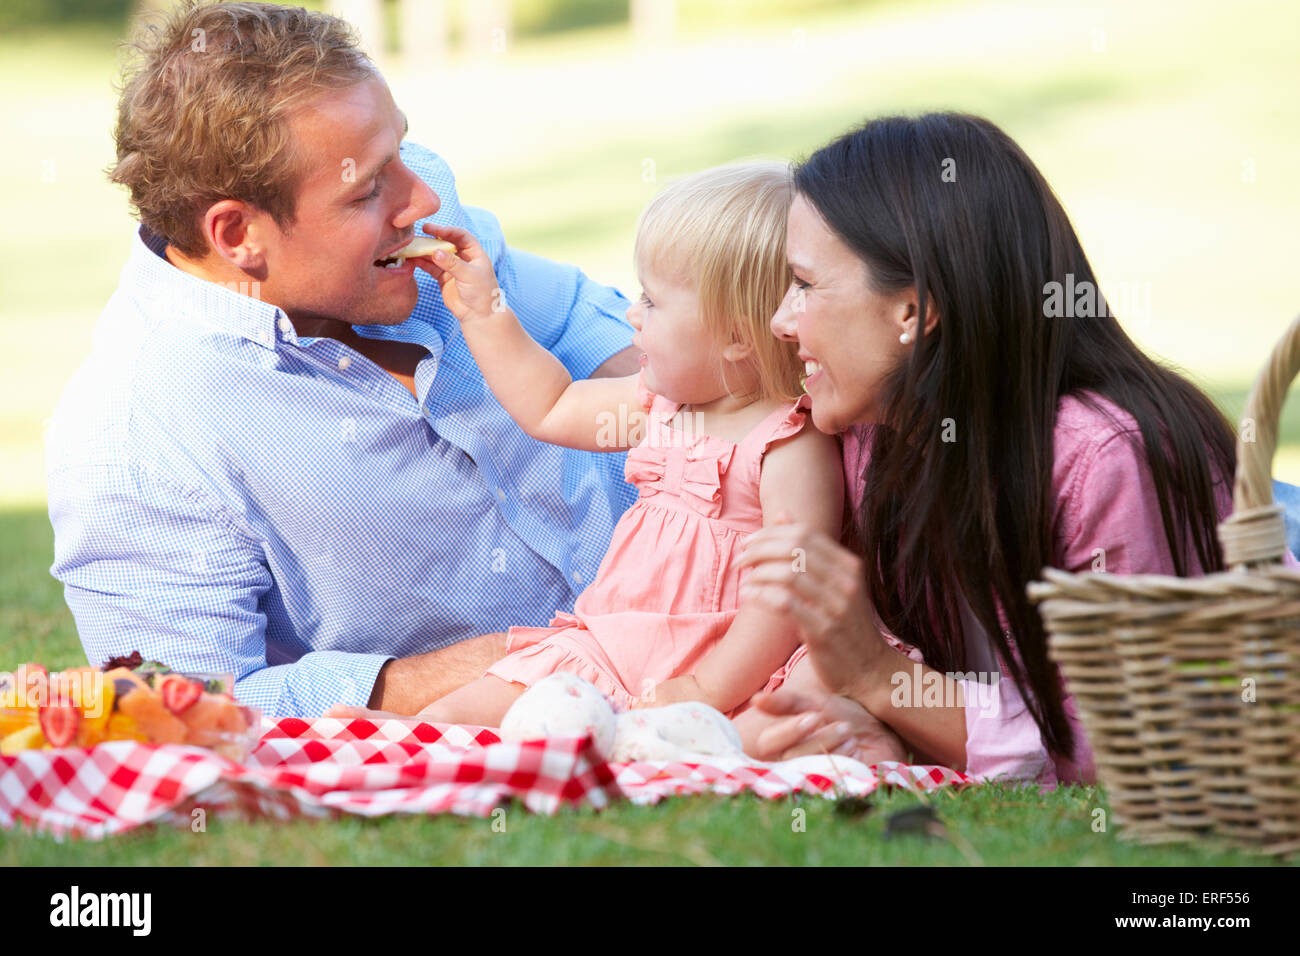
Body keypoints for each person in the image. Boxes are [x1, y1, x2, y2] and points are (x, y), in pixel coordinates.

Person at [44, 1, 642, 718]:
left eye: (401, 155)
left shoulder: (413, 210)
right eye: (368, 190)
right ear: (238, 234)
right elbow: (190, 709)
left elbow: (577, 319)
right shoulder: (131, 435)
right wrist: (504, 666)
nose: (420, 199)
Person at [737, 112, 1300, 784]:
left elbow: (1145, 751)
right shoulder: (869, 436)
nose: (779, 321)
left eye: (805, 285)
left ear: (914, 311)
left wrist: (879, 679)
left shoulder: (1107, 458)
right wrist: (871, 720)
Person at [406, 163, 856, 758]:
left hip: (735, 670)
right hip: (610, 651)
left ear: (738, 336)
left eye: (652, 300)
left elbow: (788, 599)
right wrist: (484, 313)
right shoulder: (657, 406)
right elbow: (551, 404)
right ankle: (387, 748)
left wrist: (706, 689)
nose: (632, 315)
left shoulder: (787, 446)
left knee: (778, 724)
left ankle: (678, 749)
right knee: (457, 716)